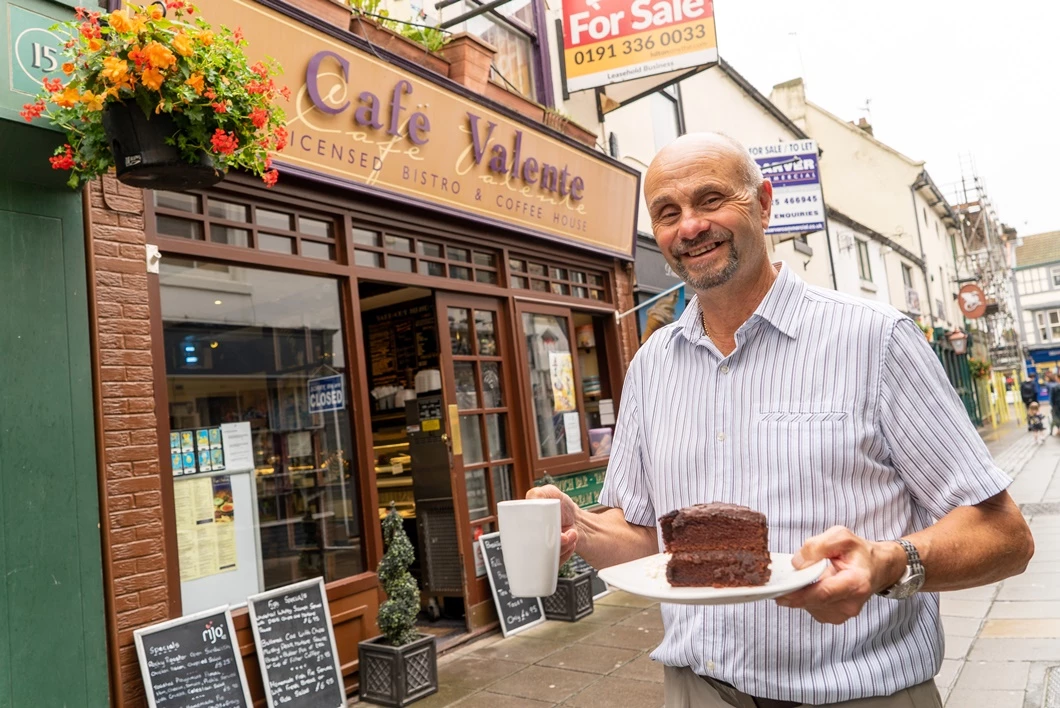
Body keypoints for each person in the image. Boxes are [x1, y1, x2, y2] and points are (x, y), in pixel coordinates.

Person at [528, 133, 1034, 708]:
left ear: (765, 204)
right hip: (697, 690)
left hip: (857, 692)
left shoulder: (875, 339)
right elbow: (647, 538)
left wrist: (890, 562)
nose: (689, 227)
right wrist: (581, 527)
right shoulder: (651, 365)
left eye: (712, 200)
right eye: (667, 213)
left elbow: (1006, 536)